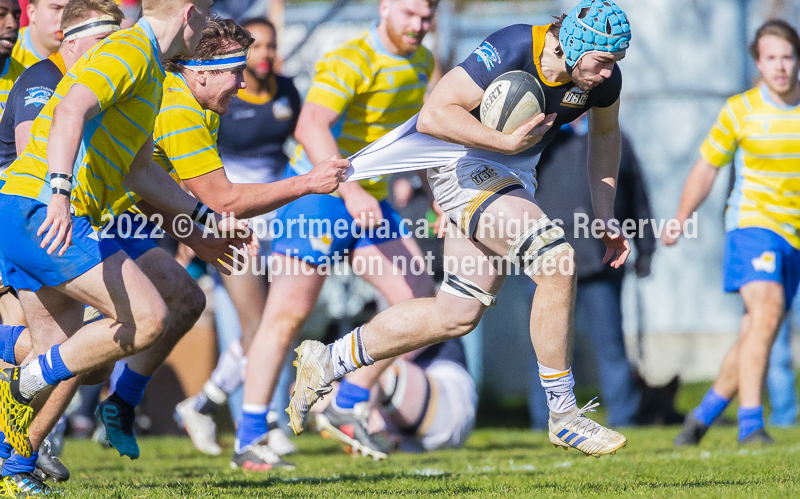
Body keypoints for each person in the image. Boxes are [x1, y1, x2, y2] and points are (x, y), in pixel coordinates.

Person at [288, 0, 633, 458]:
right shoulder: (513, 46)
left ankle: (328, 360)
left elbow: (606, 137)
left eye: (616, 63)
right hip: (461, 166)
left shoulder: (601, 83)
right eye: (603, 61)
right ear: (573, 44)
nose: (609, 73)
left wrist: (605, 214)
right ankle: (564, 414)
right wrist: (503, 142)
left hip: (509, 176)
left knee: (456, 314)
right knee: (556, 258)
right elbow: (435, 114)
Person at [0, 1, 257, 493]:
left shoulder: (154, 71)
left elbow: (141, 172)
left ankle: (13, 472)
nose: (204, 29)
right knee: (146, 319)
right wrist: (57, 191)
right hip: (44, 209)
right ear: (189, 15)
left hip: (42, 211)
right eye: (204, 18)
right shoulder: (133, 48)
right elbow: (72, 105)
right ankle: (22, 382)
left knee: (65, 353)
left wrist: (202, 221)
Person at [236, 0, 440, 467]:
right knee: (286, 317)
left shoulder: (424, 61)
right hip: (321, 196)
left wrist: (439, 199)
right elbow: (310, 127)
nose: (418, 25)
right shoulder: (352, 58)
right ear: (385, 7)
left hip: (368, 200)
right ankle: (249, 436)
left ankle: (349, 400)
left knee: (423, 302)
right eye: (409, 13)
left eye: (427, 17)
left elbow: (417, 136)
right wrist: (350, 192)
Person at [0, 1, 124, 491]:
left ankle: (19, 447)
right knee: (85, 346)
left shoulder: (94, 82)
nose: (12, 22)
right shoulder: (42, 80)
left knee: (84, 361)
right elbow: (37, 157)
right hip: (30, 217)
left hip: (46, 219)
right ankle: (18, 454)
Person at [173, 16, 302, 458]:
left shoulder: (286, 92)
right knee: (258, 326)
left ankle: (208, 405)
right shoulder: (200, 103)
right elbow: (202, 178)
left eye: (268, 47)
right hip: (229, 217)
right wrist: (193, 223)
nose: (250, 72)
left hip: (267, 220)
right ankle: (253, 417)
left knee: (271, 323)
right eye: (248, 56)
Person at [668, 19, 800, 446]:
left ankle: (700, 418)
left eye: (787, 57)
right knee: (767, 310)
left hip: (793, 235)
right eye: (771, 58)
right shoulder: (740, 110)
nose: (780, 67)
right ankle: (751, 425)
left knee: (757, 329)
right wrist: (683, 215)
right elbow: (708, 166)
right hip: (751, 225)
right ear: (758, 64)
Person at [526, 118, 655, 429]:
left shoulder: (610, 136)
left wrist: (646, 248)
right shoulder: (541, 139)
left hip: (600, 262)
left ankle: (624, 418)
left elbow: (636, 192)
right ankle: (544, 421)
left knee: (611, 347)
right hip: (545, 262)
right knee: (545, 348)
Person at [311, 339, 477, 454]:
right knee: (311, 392)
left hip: (444, 401)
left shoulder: (424, 295)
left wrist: (365, 405)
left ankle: (359, 414)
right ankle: (364, 422)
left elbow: (386, 354)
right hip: (399, 427)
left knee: (376, 362)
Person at [12, 0, 68, 68]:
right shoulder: (9, 52)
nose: (66, 19)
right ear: (32, 13)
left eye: (71, 9)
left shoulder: (82, 54)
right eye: (55, 8)